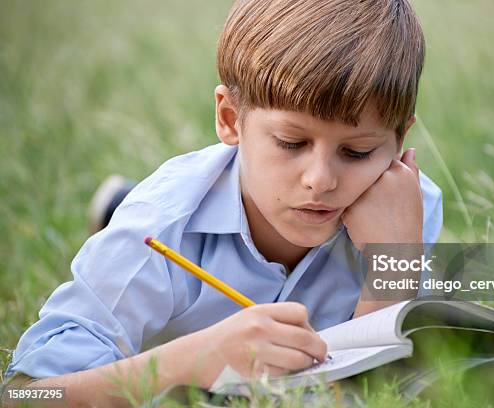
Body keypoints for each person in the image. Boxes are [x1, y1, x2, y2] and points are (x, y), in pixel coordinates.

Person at [2, 0, 442, 405]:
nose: (320, 181)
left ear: (400, 139)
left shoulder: (404, 208)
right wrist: (187, 362)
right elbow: (24, 396)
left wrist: (394, 268)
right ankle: (119, 207)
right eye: (291, 142)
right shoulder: (159, 223)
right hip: (171, 227)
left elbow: (382, 389)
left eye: (358, 152)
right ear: (230, 119)